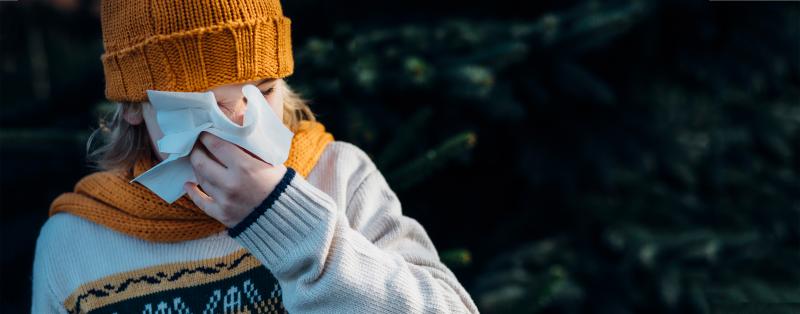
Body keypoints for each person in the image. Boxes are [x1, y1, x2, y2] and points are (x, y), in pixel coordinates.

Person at [30, 0, 479, 313]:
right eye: (200, 107)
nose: (241, 124)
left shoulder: (340, 177)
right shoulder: (73, 244)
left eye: (261, 90)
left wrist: (287, 220)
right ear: (132, 108)